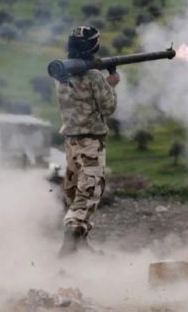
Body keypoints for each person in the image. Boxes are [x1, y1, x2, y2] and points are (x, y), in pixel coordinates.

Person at [55, 26, 119, 257]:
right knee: (89, 191)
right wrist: (111, 84)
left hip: (71, 142)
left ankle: (81, 244)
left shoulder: (61, 73)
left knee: (74, 192)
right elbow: (108, 107)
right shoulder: (93, 77)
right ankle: (71, 242)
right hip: (90, 142)